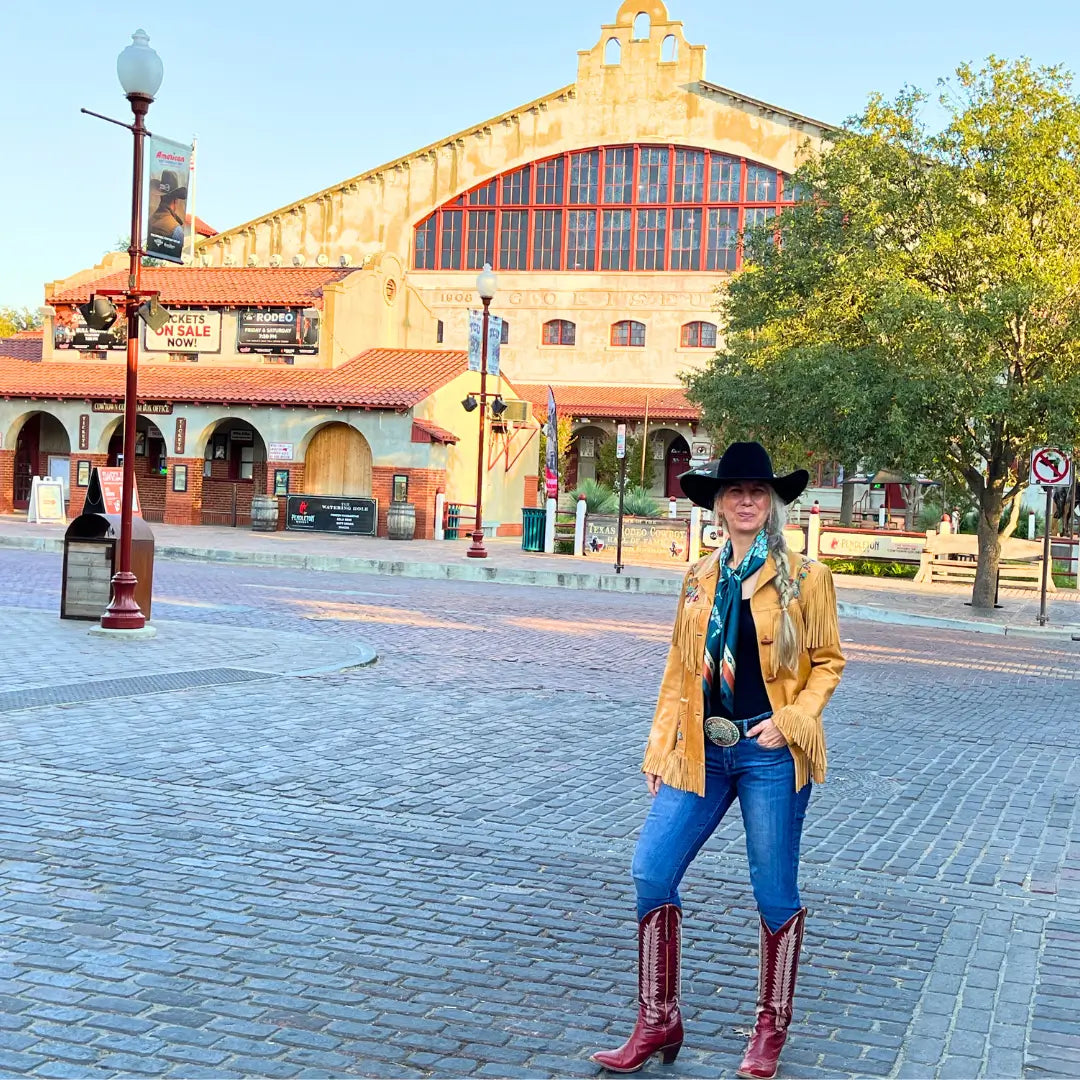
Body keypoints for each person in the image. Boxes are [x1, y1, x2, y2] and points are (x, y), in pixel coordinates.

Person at [591, 441, 846, 1079]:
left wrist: (791, 722)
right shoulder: (700, 577)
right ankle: (657, 1018)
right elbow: (680, 670)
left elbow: (828, 663)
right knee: (651, 869)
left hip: (770, 752)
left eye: (757, 491)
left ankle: (769, 1028)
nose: (746, 501)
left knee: (773, 890)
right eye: (734, 492)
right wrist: (661, 746)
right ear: (718, 503)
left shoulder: (807, 578)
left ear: (773, 501)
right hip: (701, 749)